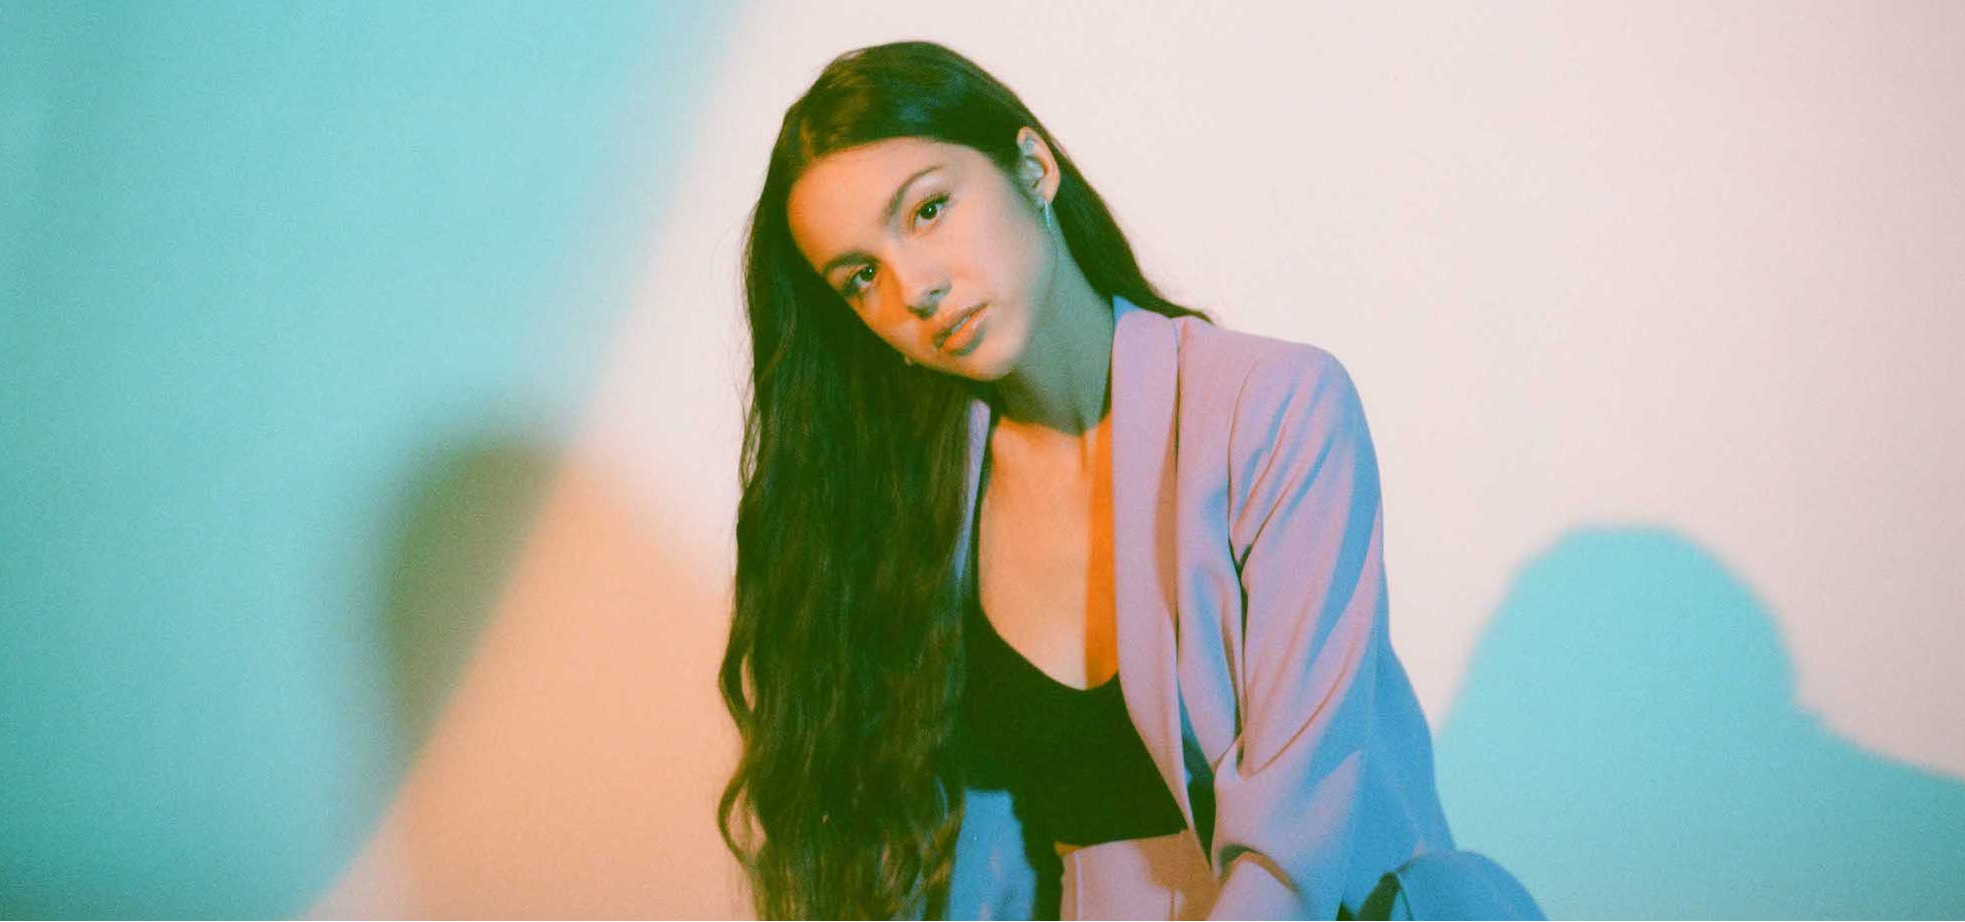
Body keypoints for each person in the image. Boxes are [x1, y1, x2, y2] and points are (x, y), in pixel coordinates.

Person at [718, 40, 1537, 921]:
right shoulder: (914, 515)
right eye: (860, 277)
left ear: (1032, 167)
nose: (913, 288)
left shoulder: (1274, 406)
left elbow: (1292, 853)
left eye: (927, 209)